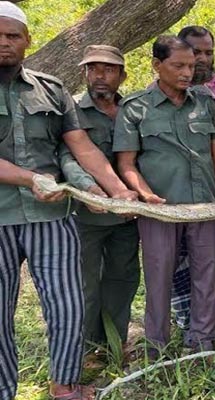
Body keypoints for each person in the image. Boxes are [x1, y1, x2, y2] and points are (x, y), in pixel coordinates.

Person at [0, 3, 137, 399]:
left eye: (13, 35)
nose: (5, 43)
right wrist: (29, 178)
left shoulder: (52, 89)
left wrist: (116, 191)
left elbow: (82, 147)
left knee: (68, 305)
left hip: (51, 216)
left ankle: (65, 385)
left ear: (28, 40)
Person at [114, 36, 215, 356]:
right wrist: (144, 194)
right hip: (160, 210)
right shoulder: (135, 107)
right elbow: (126, 163)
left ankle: (202, 342)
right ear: (157, 65)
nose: (186, 72)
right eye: (178, 66)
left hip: (205, 206)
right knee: (158, 277)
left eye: (192, 66)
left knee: (207, 275)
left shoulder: (206, 102)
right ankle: (156, 345)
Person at [59, 45, 140, 361]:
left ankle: (114, 343)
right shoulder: (73, 111)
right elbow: (66, 157)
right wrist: (88, 188)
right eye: (93, 69)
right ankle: (84, 350)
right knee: (86, 285)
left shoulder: (134, 109)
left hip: (128, 216)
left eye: (108, 70)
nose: (99, 76)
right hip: (87, 216)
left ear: (122, 75)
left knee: (123, 278)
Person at [170, 25, 215, 331]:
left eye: (208, 52)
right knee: (179, 262)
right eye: (196, 52)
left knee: (214, 259)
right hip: (175, 192)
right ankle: (186, 321)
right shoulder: (163, 89)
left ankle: (214, 322)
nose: (203, 58)